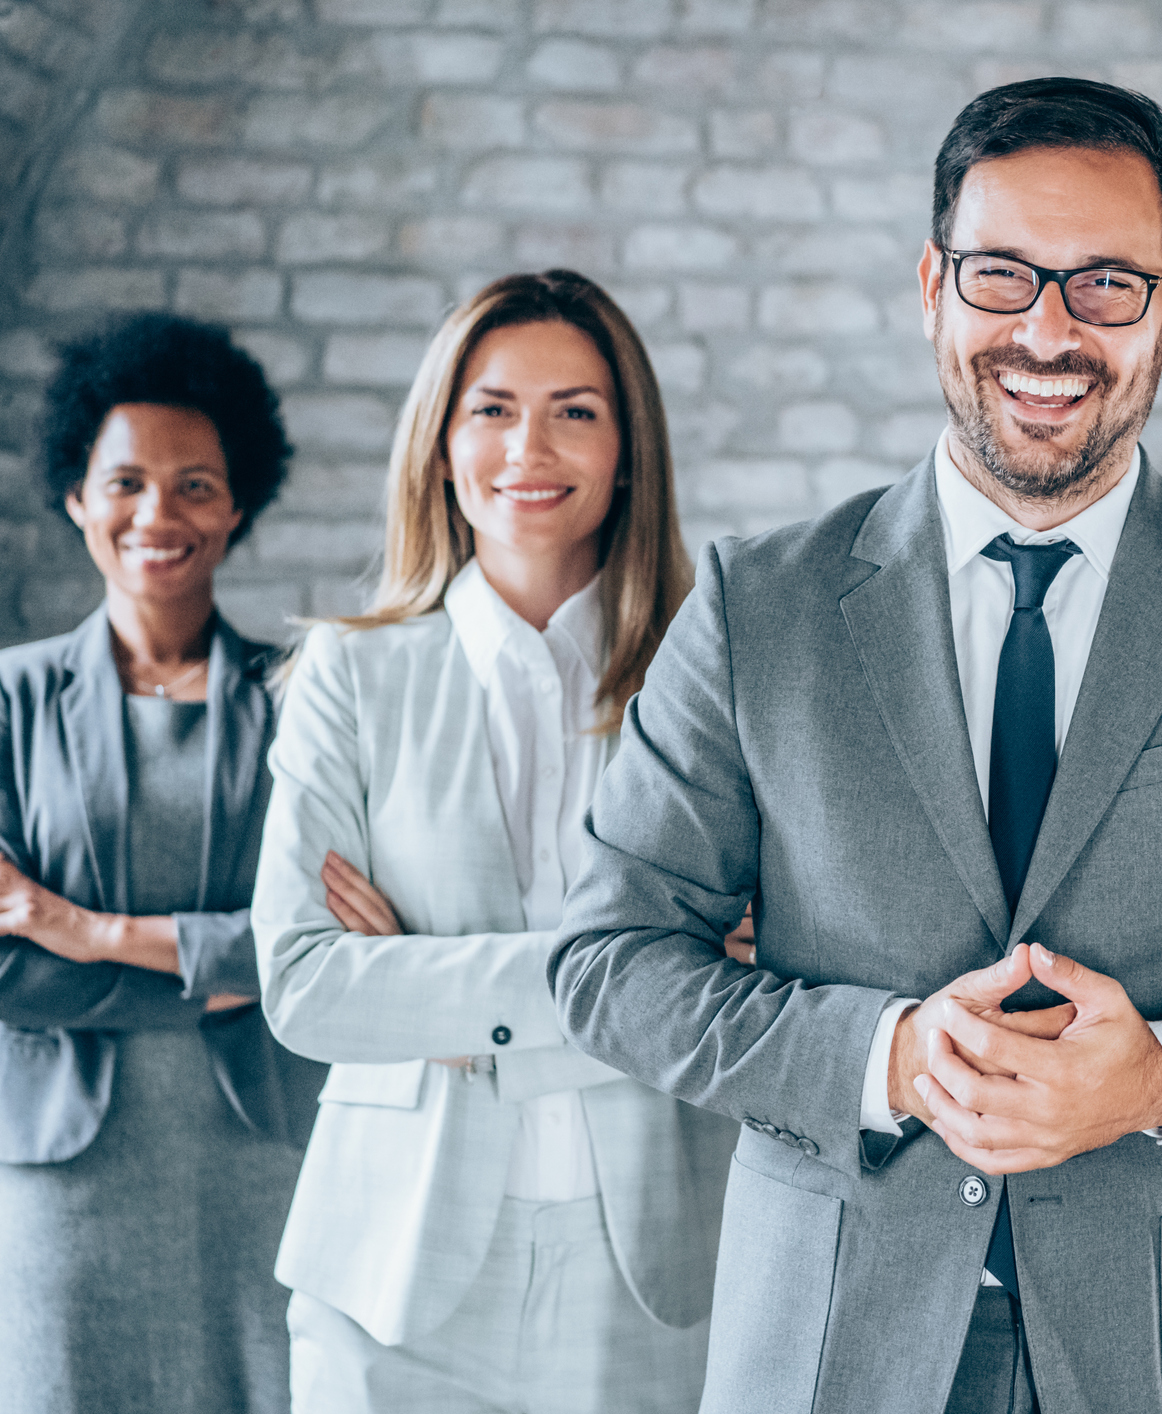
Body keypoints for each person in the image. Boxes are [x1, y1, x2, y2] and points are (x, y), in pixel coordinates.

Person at [547, 77, 1162, 1414]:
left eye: (1106, 282)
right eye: (1002, 275)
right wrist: (885, 1055)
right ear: (930, 286)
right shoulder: (759, 604)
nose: (1047, 329)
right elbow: (607, 957)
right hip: (830, 1347)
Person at [250, 270, 738, 1413]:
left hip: (658, 1265)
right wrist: (634, 966)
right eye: (493, 407)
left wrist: (426, 973)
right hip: (389, 1270)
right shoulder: (349, 675)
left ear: (628, 452)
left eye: (577, 409)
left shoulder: (708, 682)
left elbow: (767, 986)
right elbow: (308, 986)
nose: (531, 444)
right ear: (440, 442)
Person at [0, 312, 326, 1413]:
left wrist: (86, 931)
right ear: (76, 497)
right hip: (65, 1183)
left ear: (239, 503)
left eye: (196, 483)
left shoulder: (307, 696)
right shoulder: (9, 702)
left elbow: (328, 950)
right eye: (126, 480)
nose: (159, 513)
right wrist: (234, 971)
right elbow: (7, 969)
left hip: (264, 1168)